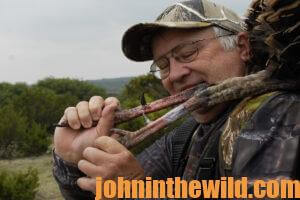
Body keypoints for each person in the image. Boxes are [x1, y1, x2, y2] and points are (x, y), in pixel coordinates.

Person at [52, 0, 300, 199]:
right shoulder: (188, 136)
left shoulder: (278, 114)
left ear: (243, 47)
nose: (174, 75)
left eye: (188, 53)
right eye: (162, 66)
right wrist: (75, 160)